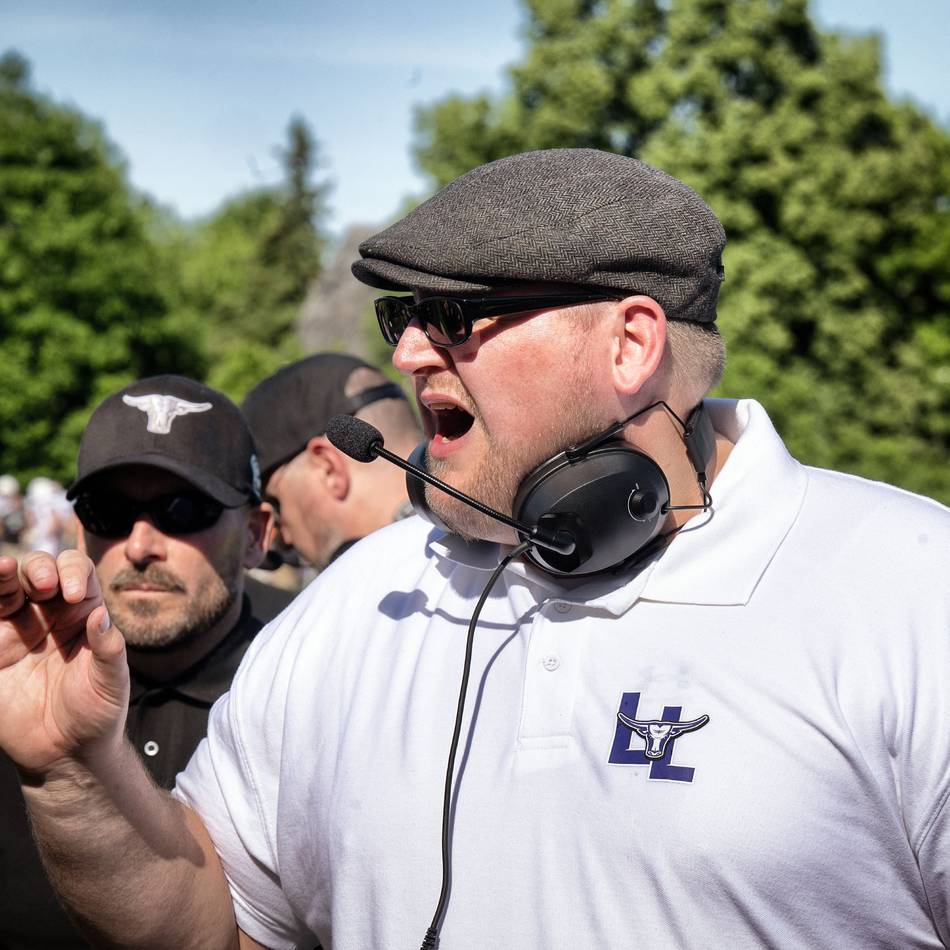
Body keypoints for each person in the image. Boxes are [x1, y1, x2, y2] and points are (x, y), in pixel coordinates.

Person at [1, 149, 948, 950]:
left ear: (629, 345)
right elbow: (211, 918)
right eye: (404, 316)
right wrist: (74, 767)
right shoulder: (359, 600)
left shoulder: (913, 596)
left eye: (457, 315)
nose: (411, 354)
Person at [0, 374, 272, 949]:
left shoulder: (304, 686)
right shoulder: (14, 677)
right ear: (79, 531)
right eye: (109, 511)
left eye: (184, 508)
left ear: (256, 534)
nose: (141, 544)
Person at [241, 352, 421, 569]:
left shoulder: (370, 586)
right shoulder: (469, 526)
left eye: (277, 507)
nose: (285, 539)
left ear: (327, 468)